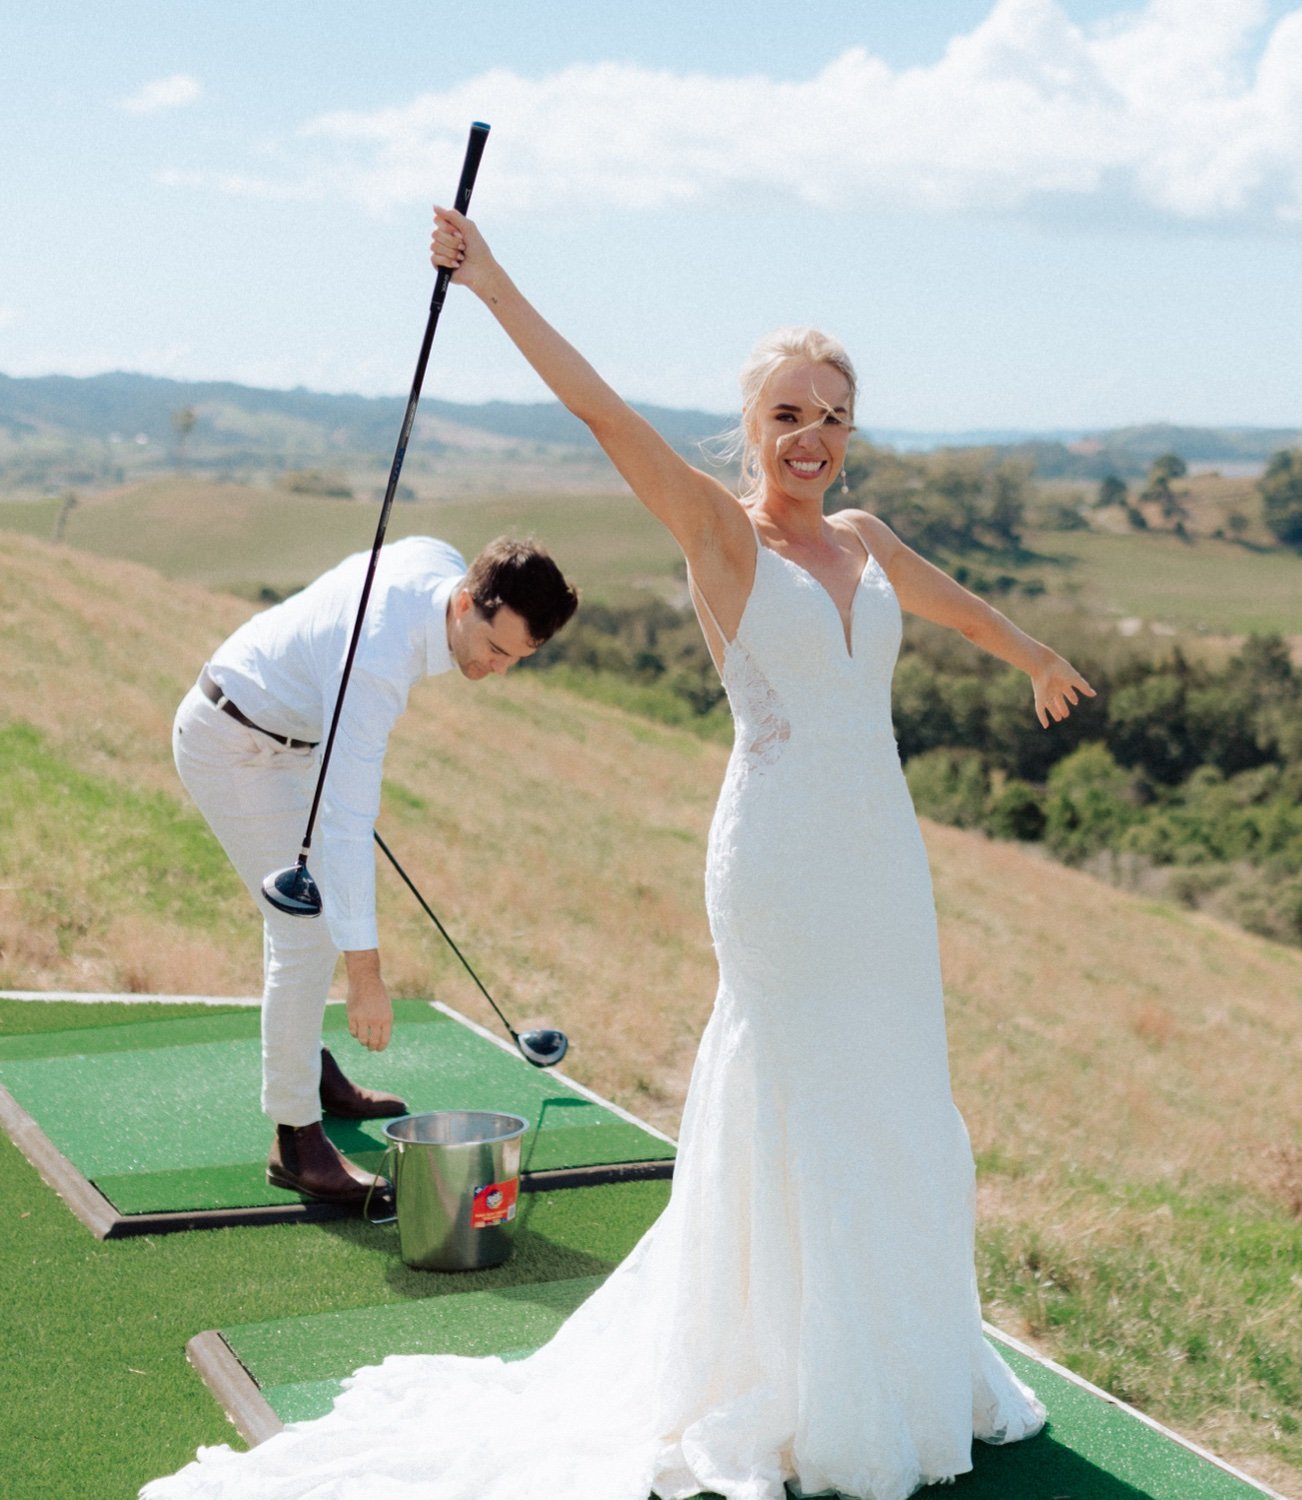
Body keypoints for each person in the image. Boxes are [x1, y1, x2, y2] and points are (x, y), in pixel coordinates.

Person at [143, 213, 1094, 1500]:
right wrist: (492, 287)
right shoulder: (721, 532)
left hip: (881, 857)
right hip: (779, 869)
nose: (811, 440)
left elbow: (942, 602)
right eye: (787, 417)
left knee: (893, 1089)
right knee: (798, 1089)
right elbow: (600, 414)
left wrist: (1031, 655)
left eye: (833, 417)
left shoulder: (864, 540)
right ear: (749, 431)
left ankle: (888, 1354)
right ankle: (786, 1371)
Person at [171, 535, 578, 1208]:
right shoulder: (380, 659)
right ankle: (296, 1143)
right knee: (305, 931)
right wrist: (368, 980)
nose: (498, 669)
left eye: (518, 658)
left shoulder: (440, 565)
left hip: (298, 738)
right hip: (234, 741)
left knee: (322, 920)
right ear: (466, 602)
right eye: (496, 649)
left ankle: (305, 1066)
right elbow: (347, 824)